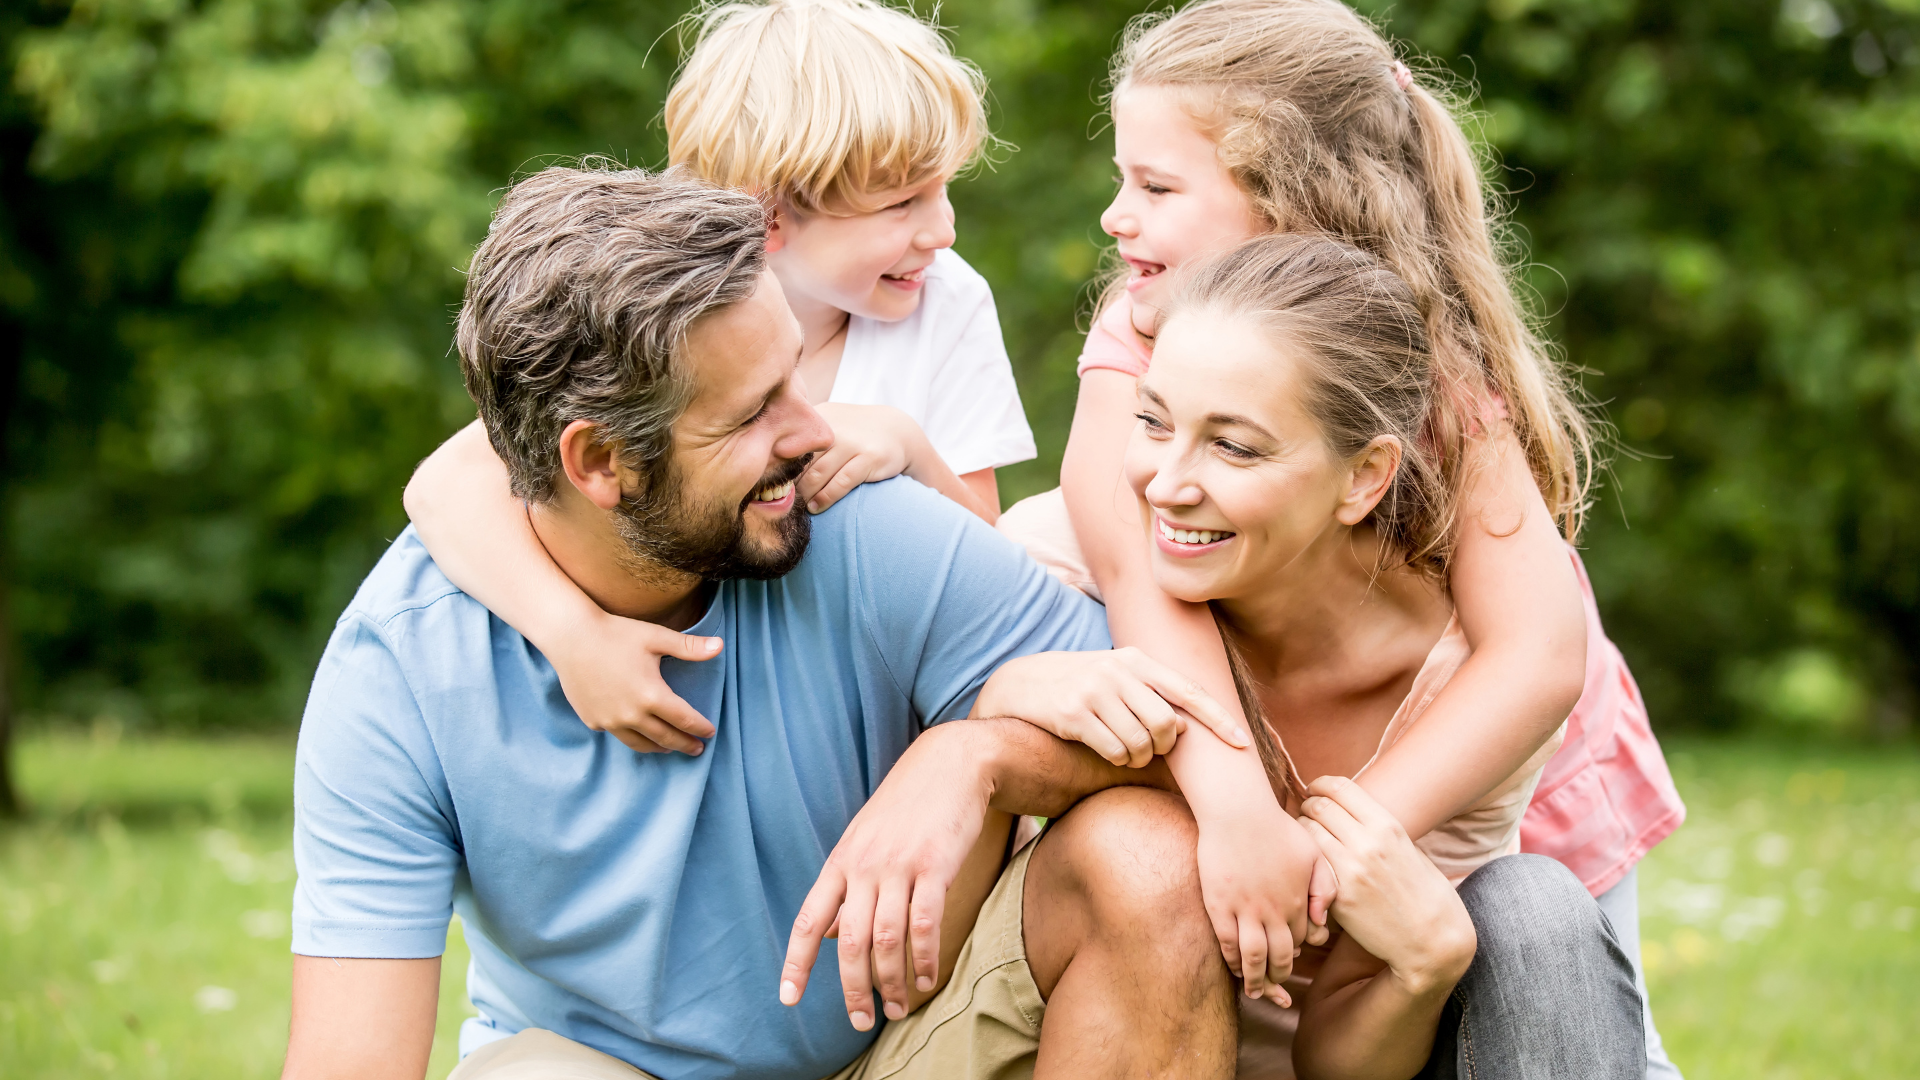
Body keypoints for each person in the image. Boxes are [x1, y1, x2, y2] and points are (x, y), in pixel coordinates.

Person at [281, 165, 1245, 1080]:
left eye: (796, 377)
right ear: (600, 463)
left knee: (1146, 858)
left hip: (918, 1050)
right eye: (750, 416)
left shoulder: (854, 519)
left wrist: (973, 758)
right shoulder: (403, 670)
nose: (816, 431)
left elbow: (1196, 743)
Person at [995, 4, 1686, 1070]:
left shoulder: (1432, 351)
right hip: (1289, 730)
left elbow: (1540, 654)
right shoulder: (1149, 319)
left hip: (1486, 732)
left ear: (1285, 199)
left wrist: (1333, 845)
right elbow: (1133, 558)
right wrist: (1236, 811)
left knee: (1558, 971)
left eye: (1157, 186)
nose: (1116, 218)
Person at [399, 0, 1035, 757]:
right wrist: (573, 637)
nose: (943, 229)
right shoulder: (667, 308)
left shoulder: (946, 302)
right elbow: (443, 487)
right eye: (902, 204)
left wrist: (910, 447)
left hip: (875, 726)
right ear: (767, 218)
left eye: (943, 189)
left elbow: (990, 569)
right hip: (706, 704)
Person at [1104, 233, 1646, 1079]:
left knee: (1535, 910)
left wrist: (1421, 966)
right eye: (1151, 421)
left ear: (1365, 478)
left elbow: (1334, 1066)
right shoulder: (1077, 584)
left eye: (1234, 446)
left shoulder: (1467, 689)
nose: (1167, 483)